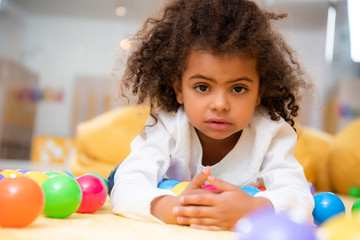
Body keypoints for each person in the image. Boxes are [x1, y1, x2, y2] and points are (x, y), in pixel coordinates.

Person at [109, 0, 314, 231]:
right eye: (203, 87)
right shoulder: (167, 124)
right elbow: (128, 186)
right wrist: (177, 208)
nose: (220, 105)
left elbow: (299, 197)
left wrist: (253, 209)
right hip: (163, 184)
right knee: (115, 178)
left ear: (259, 92)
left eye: (238, 89)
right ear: (179, 89)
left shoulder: (271, 133)